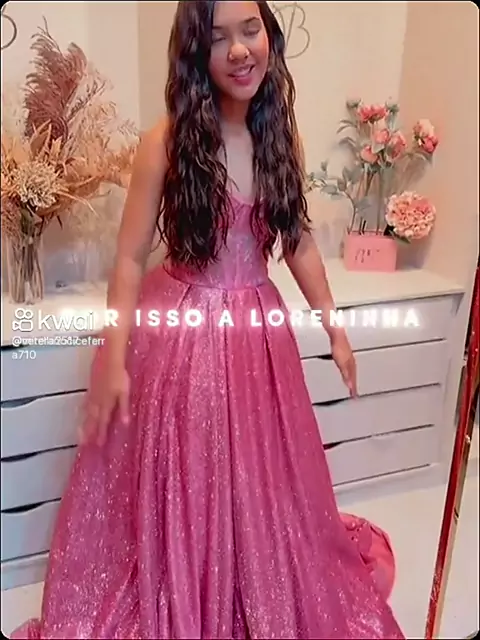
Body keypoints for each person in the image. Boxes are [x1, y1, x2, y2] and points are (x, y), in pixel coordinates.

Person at [12, 2, 405, 638]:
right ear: (196, 51)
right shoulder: (165, 143)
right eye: (220, 38)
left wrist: (334, 325)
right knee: (191, 472)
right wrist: (112, 359)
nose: (240, 50)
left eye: (251, 30)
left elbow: (298, 239)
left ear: (270, 35)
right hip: (184, 336)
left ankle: (250, 581)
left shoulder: (279, 136)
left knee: (259, 476)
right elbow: (129, 256)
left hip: (257, 335)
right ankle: (193, 584)